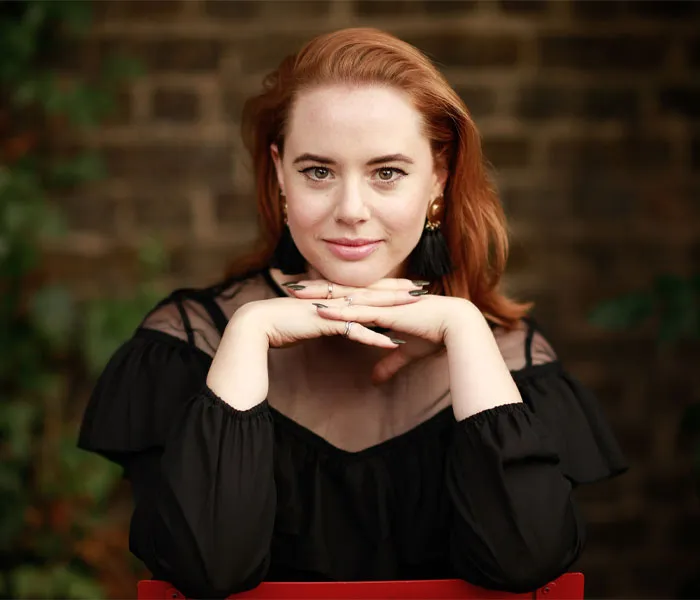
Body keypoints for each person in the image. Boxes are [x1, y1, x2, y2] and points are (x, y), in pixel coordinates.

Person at [78, 28, 627, 599]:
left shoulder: (509, 358)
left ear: (437, 178)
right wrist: (246, 336)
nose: (351, 211)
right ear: (281, 175)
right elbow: (207, 572)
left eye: (387, 172)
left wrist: (465, 330)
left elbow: (525, 563)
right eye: (318, 171)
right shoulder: (186, 346)